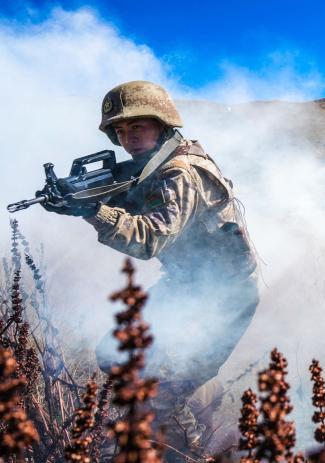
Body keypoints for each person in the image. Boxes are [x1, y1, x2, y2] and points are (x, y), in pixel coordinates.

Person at [42, 80, 259, 449]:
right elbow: (129, 197)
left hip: (223, 296)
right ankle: (197, 395)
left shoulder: (181, 172)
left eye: (137, 127)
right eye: (121, 130)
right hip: (185, 287)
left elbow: (149, 238)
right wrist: (73, 197)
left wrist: (92, 210)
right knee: (114, 354)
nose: (128, 138)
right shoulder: (149, 167)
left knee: (155, 395)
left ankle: (186, 451)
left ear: (162, 124)